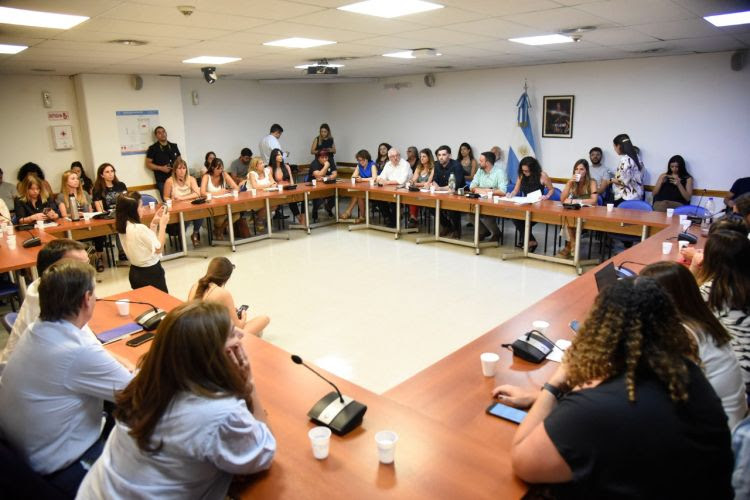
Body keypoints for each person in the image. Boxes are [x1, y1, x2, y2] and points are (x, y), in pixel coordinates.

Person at [492, 278, 734, 499]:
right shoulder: (687, 375)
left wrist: (555, 385)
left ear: (600, 331)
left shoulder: (600, 409)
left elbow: (523, 462)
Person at [76, 302, 275, 499]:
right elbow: (264, 452)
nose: (241, 336)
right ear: (212, 354)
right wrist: (248, 386)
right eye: (232, 334)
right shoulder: (219, 413)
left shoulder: (144, 381)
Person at [0, 260, 132, 496]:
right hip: (62, 468)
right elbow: (138, 391)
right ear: (86, 299)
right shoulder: (77, 351)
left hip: (23, 457)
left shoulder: (36, 330)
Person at [639, 261, 747, 428]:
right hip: (730, 419)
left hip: (718, 434)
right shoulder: (699, 321)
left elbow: (657, 390)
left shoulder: (683, 336)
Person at [0, 238, 88, 372]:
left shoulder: (41, 287)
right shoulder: (53, 306)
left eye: (87, 263)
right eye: (79, 266)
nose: (89, 271)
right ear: (54, 271)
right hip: (32, 376)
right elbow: (88, 353)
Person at [694, 230, 750, 395]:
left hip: (737, 376)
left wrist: (694, 269)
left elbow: (683, 304)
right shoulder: (741, 286)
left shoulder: (713, 291)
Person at [187, 257, 271, 338]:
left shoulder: (195, 286)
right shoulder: (223, 293)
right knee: (264, 319)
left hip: (194, 335)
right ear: (227, 278)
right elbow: (238, 326)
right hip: (212, 340)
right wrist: (243, 316)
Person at [116, 191, 169, 293]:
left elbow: (146, 243)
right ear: (132, 210)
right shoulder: (139, 228)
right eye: (141, 206)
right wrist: (163, 225)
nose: (143, 208)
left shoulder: (123, 226)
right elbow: (158, 249)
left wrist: (154, 224)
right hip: (150, 274)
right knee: (163, 305)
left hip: (135, 272)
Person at [57, 169, 108, 272]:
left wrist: (85, 215)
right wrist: (75, 214)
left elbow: (90, 210)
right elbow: (63, 214)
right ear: (65, 181)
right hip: (73, 226)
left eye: (77, 178)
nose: (76, 181)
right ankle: (83, 260)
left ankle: (98, 258)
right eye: (73, 179)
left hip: (87, 222)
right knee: (76, 239)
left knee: (100, 232)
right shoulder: (61, 196)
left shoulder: (84, 193)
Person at [508, 156, 554, 252]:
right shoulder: (521, 175)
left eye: (527, 171)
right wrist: (511, 194)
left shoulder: (542, 175)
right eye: (523, 171)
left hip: (538, 206)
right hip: (526, 204)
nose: (525, 173)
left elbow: (551, 189)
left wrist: (546, 196)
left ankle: (528, 240)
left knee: (524, 221)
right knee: (515, 216)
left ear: (534, 169)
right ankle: (531, 240)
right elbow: (516, 190)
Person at [558, 159, 598, 258]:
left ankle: (569, 246)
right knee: (567, 217)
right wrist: (568, 184)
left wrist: (577, 201)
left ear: (586, 171)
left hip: (587, 212)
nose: (578, 172)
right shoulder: (572, 182)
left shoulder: (592, 182)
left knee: (570, 220)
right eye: (576, 169)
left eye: (581, 169)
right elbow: (562, 199)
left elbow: (594, 200)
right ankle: (574, 244)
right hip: (575, 211)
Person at [163, 158, 203, 247]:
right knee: (185, 217)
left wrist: (182, 198)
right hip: (177, 207)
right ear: (175, 170)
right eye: (179, 168)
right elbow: (165, 196)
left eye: (184, 168)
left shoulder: (191, 179)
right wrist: (170, 200)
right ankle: (182, 236)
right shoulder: (169, 181)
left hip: (190, 205)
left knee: (201, 212)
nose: (182, 171)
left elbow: (197, 193)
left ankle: (195, 233)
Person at [470, 150, 507, 242]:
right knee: (470, 214)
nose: (479, 162)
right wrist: (487, 190)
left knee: (488, 217)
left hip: (493, 202)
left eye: (481, 161)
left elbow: (503, 191)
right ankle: (483, 231)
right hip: (479, 200)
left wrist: (485, 190)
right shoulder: (480, 171)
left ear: (488, 163)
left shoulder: (499, 172)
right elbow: (472, 186)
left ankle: (497, 233)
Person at [201, 157, 239, 240]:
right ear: (212, 168)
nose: (220, 171)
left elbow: (236, 187)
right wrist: (218, 193)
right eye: (218, 169)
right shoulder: (206, 176)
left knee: (237, 215)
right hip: (213, 204)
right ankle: (218, 229)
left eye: (221, 168)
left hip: (225, 202)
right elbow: (202, 193)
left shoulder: (224, 174)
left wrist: (230, 190)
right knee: (220, 219)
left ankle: (219, 230)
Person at [432, 145, 465, 238]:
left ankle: (456, 230)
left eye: (443, 155)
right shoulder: (436, 165)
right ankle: (447, 226)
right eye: (439, 155)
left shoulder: (456, 165)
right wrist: (435, 185)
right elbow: (434, 179)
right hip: (442, 192)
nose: (441, 157)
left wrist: (440, 188)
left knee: (452, 207)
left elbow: (455, 186)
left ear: (449, 156)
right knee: (431, 205)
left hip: (458, 193)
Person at [375, 148, 411, 228]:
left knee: (394, 202)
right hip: (390, 188)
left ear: (400, 155)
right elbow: (382, 176)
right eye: (392, 156)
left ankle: (394, 222)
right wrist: (379, 179)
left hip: (403, 189)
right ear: (389, 158)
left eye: (397, 155)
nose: (395, 158)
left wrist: (386, 182)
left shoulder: (405, 164)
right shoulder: (388, 164)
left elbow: (402, 181)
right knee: (378, 198)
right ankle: (388, 218)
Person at [270, 147, 305, 226]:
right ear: (273, 156)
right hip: (279, 192)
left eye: (281, 155)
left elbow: (291, 180)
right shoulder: (270, 168)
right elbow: (272, 183)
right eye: (278, 155)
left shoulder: (286, 166)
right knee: (291, 200)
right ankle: (301, 220)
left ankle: (302, 219)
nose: (281, 156)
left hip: (289, 189)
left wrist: (292, 187)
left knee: (304, 196)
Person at [341, 149, 377, 223]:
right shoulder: (359, 165)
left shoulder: (372, 164)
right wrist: (356, 178)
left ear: (367, 159)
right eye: (359, 160)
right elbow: (352, 177)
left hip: (372, 188)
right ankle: (361, 216)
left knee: (358, 194)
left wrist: (362, 179)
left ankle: (349, 212)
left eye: (362, 160)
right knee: (358, 194)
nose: (361, 162)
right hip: (362, 188)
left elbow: (374, 178)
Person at [145, 126, 181, 198]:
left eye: (163, 131)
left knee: (179, 199)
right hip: (162, 180)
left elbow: (179, 161)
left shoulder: (174, 146)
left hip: (175, 178)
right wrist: (161, 168)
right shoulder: (153, 148)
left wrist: (176, 168)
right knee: (167, 201)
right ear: (156, 136)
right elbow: (148, 164)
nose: (162, 134)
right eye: (159, 133)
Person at [405, 148, 435, 227]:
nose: (421, 158)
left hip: (428, 193)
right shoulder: (419, 167)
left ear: (429, 157)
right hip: (418, 192)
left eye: (424, 156)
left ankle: (413, 219)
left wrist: (417, 184)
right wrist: (414, 182)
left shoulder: (433, 168)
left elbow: (429, 183)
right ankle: (413, 218)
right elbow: (413, 180)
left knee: (415, 197)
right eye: (421, 156)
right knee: (412, 196)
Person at [611, 133, 644, 206]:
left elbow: (621, 182)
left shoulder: (625, 160)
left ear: (618, 146)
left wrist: (610, 180)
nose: (614, 149)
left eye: (614, 147)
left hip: (626, 198)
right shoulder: (638, 158)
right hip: (637, 196)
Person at [247, 157, 276, 233]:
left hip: (267, 195)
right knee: (267, 204)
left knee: (275, 204)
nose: (263, 164)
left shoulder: (267, 171)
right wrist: (268, 185)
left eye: (263, 162)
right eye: (261, 163)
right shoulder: (252, 174)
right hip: (254, 197)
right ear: (255, 166)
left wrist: (273, 184)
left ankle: (257, 218)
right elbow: (255, 186)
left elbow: (273, 182)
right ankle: (259, 220)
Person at [307, 149, 337, 223]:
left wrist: (327, 178)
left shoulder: (330, 161)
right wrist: (326, 166)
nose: (325, 159)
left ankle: (328, 207)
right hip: (314, 186)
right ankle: (315, 211)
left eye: (326, 157)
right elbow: (319, 175)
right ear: (318, 158)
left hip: (327, 184)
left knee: (336, 195)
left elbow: (335, 174)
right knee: (319, 198)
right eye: (322, 157)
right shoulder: (314, 163)